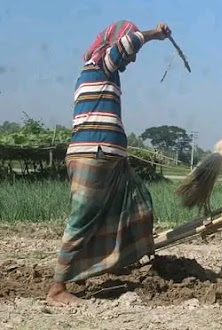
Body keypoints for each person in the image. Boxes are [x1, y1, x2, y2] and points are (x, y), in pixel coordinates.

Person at [47, 20, 172, 304]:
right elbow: (124, 46)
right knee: (82, 219)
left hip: (108, 158)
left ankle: (118, 260)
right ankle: (57, 289)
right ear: (113, 43)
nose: (132, 59)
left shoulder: (105, 75)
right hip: (94, 156)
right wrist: (154, 34)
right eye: (129, 52)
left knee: (135, 206)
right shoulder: (99, 66)